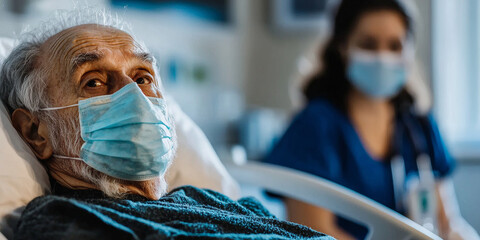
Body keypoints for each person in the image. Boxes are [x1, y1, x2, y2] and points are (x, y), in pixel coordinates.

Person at [0, 11, 333, 240]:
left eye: (144, 78)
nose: (134, 96)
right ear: (35, 132)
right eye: (94, 82)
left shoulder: (214, 201)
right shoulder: (61, 219)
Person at [265, 0, 479, 239]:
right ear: (343, 46)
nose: (382, 57)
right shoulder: (314, 127)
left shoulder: (421, 128)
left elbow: (448, 223)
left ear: (409, 51)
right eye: (368, 45)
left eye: (395, 46)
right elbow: (312, 231)